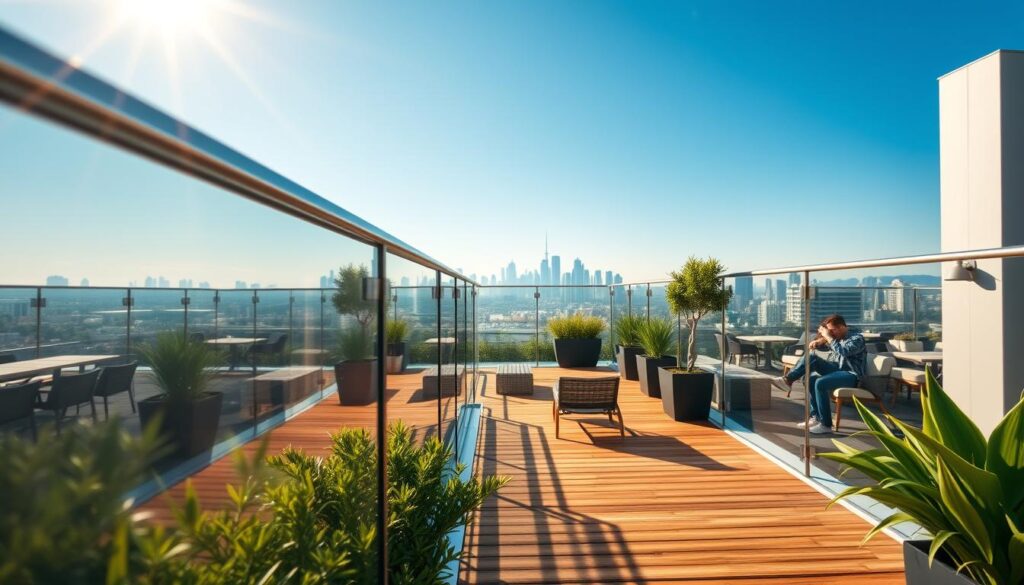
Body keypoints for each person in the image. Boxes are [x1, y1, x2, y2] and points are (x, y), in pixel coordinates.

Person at [771, 314, 866, 434]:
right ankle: (815, 416)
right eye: (829, 331)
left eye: (832, 330)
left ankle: (826, 425)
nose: (831, 333)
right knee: (811, 366)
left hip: (852, 375)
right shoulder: (836, 338)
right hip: (836, 370)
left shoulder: (857, 338)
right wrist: (819, 341)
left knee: (820, 382)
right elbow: (828, 347)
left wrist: (827, 337)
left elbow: (844, 351)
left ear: (842, 327)